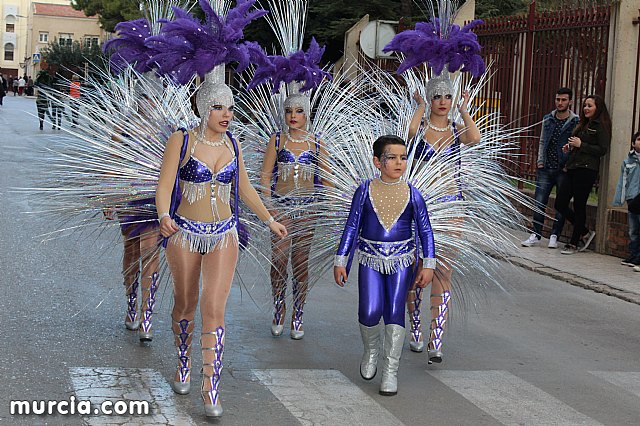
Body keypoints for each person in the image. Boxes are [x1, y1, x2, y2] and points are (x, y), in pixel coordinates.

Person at [334, 135, 436, 396]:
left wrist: (428, 264)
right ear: (377, 162)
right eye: (392, 158)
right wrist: (341, 259)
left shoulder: (414, 194)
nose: (399, 163)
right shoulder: (364, 191)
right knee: (369, 310)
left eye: (403, 157)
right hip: (369, 259)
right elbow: (351, 226)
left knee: (393, 311)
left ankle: (390, 370)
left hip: (403, 262)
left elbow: (425, 231)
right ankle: (370, 350)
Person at [403, 73, 481, 361]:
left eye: (447, 96)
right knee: (418, 270)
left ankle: (436, 337)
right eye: (437, 96)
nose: (443, 102)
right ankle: (415, 328)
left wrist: (464, 109)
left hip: (451, 208)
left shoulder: (457, 131)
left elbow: (475, 137)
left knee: (443, 271)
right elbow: (408, 133)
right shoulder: (421, 129)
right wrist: (420, 106)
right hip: (422, 209)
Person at [260, 94, 330, 339]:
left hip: (308, 211)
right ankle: (279, 306)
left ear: (307, 113)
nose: (293, 116)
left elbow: (328, 180)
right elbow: (265, 176)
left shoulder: (318, 143)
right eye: (289, 110)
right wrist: (269, 207)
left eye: (299, 111)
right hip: (281, 209)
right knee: (278, 259)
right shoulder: (277, 140)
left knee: (300, 263)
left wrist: (330, 208)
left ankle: (298, 312)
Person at [521, 88, 579, 248]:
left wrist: (568, 165)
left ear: (570, 102)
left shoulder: (576, 121)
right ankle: (536, 234)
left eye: (564, 100)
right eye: (558, 99)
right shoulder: (548, 118)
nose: (560, 103)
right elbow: (542, 141)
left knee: (561, 203)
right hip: (546, 168)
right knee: (539, 201)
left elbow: (575, 146)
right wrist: (540, 161)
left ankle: (555, 235)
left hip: (563, 169)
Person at [555, 94, 611, 254]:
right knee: (560, 203)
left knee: (579, 205)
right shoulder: (582, 124)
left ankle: (574, 243)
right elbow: (577, 143)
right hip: (572, 167)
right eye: (585, 105)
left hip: (587, 170)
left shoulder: (601, 126)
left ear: (597, 108)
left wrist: (582, 144)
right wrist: (570, 146)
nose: (586, 108)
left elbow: (602, 150)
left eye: (590, 106)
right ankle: (585, 232)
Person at [613, 131, 640, 267]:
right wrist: (620, 199)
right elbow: (622, 182)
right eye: (639, 139)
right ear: (633, 143)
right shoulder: (628, 161)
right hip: (632, 198)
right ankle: (633, 254)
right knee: (633, 230)